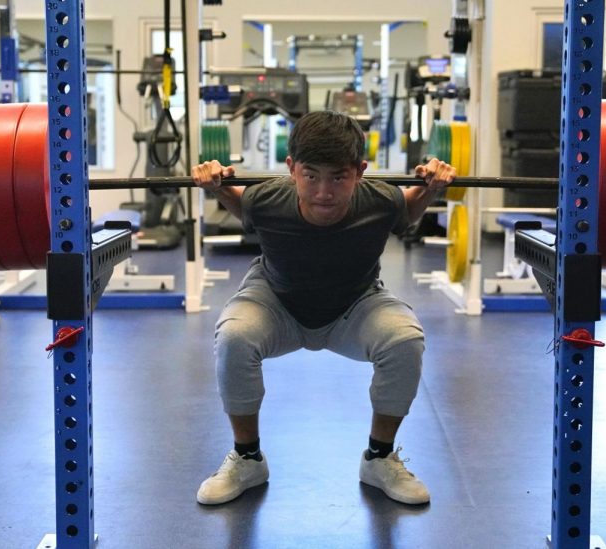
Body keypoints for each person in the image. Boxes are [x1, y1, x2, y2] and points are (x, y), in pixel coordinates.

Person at [191, 110, 455, 506]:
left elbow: (406, 212)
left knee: (404, 340)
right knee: (234, 336)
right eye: (311, 175)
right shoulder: (267, 199)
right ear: (291, 168)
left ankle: (379, 459)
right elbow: (242, 206)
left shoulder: (380, 200)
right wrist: (214, 184)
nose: (323, 192)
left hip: (354, 305)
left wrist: (433, 185)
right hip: (276, 302)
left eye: (338, 177)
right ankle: (248, 460)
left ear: (360, 171)